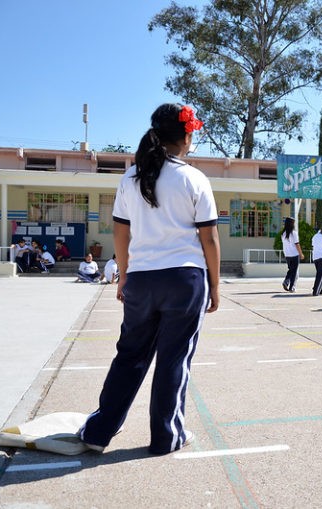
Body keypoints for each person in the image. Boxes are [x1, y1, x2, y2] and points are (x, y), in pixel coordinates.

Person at [79, 103, 220, 455]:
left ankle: (99, 431)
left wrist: (124, 276)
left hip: (141, 279)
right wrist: (215, 285)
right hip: (184, 279)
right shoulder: (194, 178)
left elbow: (120, 232)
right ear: (185, 137)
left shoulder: (131, 178)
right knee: (174, 359)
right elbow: (209, 238)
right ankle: (166, 436)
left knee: (129, 355)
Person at [281, 217, 304, 292]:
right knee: (294, 271)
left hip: (287, 255)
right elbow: (297, 244)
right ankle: (291, 287)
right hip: (294, 255)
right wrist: (301, 254)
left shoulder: (283, 234)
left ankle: (286, 282)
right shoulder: (294, 233)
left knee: (291, 270)